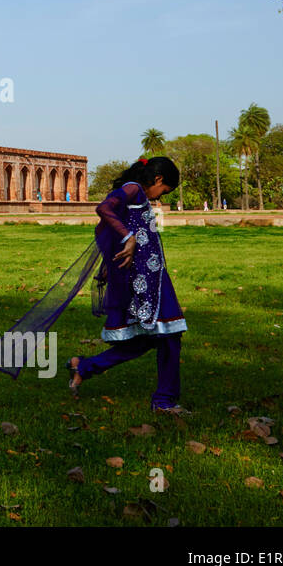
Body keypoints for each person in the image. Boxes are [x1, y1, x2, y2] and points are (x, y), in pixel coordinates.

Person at [69, 156, 187, 414]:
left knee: (151, 339)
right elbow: (104, 209)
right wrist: (128, 238)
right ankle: (164, 401)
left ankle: (85, 367)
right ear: (157, 179)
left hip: (153, 276)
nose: (159, 198)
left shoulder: (138, 195)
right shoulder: (133, 188)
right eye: (163, 191)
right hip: (143, 278)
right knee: (168, 335)